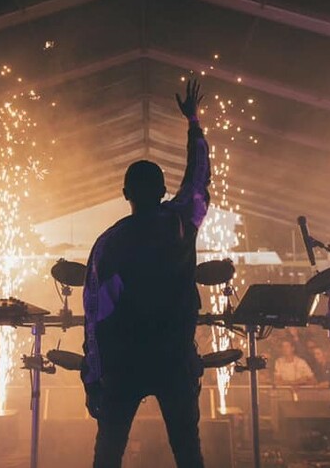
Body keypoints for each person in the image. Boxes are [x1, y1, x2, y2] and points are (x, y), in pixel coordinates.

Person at [82, 79, 210, 468]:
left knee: (109, 453)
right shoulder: (181, 223)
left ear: (125, 194)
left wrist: (92, 377)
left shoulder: (109, 244)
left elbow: (95, 317)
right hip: (173, 359)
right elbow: (200, 176)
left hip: (125, 364)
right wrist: (193, 122)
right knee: (188, 450)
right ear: (163, 190)